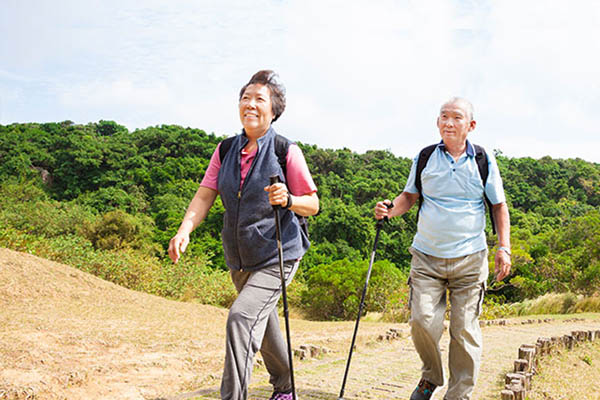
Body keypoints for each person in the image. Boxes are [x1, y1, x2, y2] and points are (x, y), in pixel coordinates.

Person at [168, 70, 319, 400]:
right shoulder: (225, 150)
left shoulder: (285, 150)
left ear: (274, 110)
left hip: (279, 253)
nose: (250, 104)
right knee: (262, 324)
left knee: (241, 318)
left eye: (259, 99)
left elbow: (313, 203)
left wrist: (289, 199)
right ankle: (286, 387)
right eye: (245, 98)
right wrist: (184, 231)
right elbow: (205, 193)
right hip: (240, 257)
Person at [374, 97, 511, 400]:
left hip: (470, 259)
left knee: (463, 331)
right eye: (443, 117)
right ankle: (431, 377)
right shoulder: (425, 157)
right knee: (421, 321)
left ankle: (459, 394)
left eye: (457, 118)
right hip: (426, 256)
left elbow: (499, 206)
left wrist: (504, 248)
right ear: (437, 122)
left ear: (470, 126)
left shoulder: (482, 160)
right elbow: (409, 196)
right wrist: (390, 210)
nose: (449, 123)